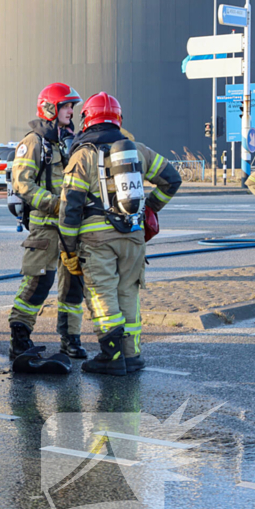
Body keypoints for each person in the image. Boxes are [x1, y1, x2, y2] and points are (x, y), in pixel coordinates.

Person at [59, 92, 181, 375]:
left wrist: (67, 249)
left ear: (86, 119)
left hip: (96, 241)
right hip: (134, 237)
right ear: (118, 119)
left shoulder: (83, 155)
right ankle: (132, 354)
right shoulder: (137, 150)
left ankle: (110, 356)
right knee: (129, 292)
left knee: (102, 294)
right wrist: (150, 208)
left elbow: (70, 207)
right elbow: (172, 179)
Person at [8, 83, 86, 373]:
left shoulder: (69, 141)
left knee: (73, 287)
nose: (71, 111)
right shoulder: (34, 142)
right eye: (66, 106)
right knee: (38, 284)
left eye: (72, 107)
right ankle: (19, 338)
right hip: (45, 229)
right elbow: (22, 183)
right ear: (51, 108)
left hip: (72, 230)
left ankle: (70, 339)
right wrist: (55, 205)